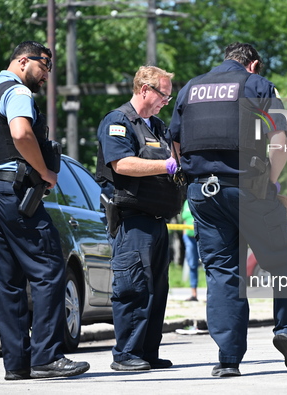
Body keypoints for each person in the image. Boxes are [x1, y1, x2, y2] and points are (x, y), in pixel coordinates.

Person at [169, 42, 287, 377]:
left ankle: (228, 359)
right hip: (250, 188)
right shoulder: (258, 86)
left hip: (203, 192)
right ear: (254, 64)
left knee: (222, 272)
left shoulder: (191, 88)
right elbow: (279, 143)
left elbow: (174, 142)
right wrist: (272, 184)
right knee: (283, 263)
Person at [0, 41, 90, 380]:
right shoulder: (17, 92)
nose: (46, 74)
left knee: (7, 280)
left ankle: (17, 364)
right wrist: (45, 171)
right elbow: (21, 134)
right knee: (49, 267)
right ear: (24, 60)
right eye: (45, 65)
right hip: (14, 192)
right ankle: (47, 356)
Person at [96, 65, 181, 372]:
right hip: (132, 221)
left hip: (157, 220)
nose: (165, 102)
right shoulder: (118, 121)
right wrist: (167, 166)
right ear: (145, 89)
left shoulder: (157, 125)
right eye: (163, 95)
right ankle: (126, 354)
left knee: (157, 291)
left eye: (169, 97)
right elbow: (122, 163)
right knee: (134, 288)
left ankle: (147, 351)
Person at [182, 200, 200, 301]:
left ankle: (209, 294)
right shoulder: (186, 203)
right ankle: (194, 294)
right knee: (192, 265)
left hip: (201, 237)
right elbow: (184, 219)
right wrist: (184, 236)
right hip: (189, 238)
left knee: (207, 266)